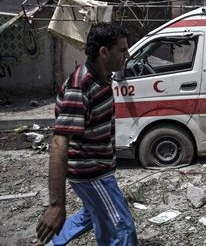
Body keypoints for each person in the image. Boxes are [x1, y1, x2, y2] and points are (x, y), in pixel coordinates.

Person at [36, 23, 137, 245]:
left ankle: (49, 242)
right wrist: (56, 205)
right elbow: (59, 142)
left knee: (91, 214)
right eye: (122, 50)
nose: (127, 55)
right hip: (92, 173)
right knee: (122, 229)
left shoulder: (101, 78)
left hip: (97, 168)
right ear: (103, 52)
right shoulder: (80, 85)